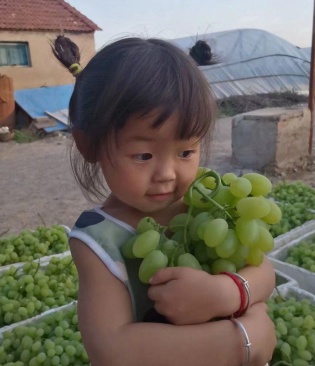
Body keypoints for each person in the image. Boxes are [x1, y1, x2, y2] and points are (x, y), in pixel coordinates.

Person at [61, 37, 276, 366]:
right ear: (89, 146)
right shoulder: (97, 241)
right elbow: (112, 348)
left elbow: (264, 270)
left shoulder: (206, 202)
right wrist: (243, 340)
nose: (167, 173)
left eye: (186, 151)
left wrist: (227, 293)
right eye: (143, 155)